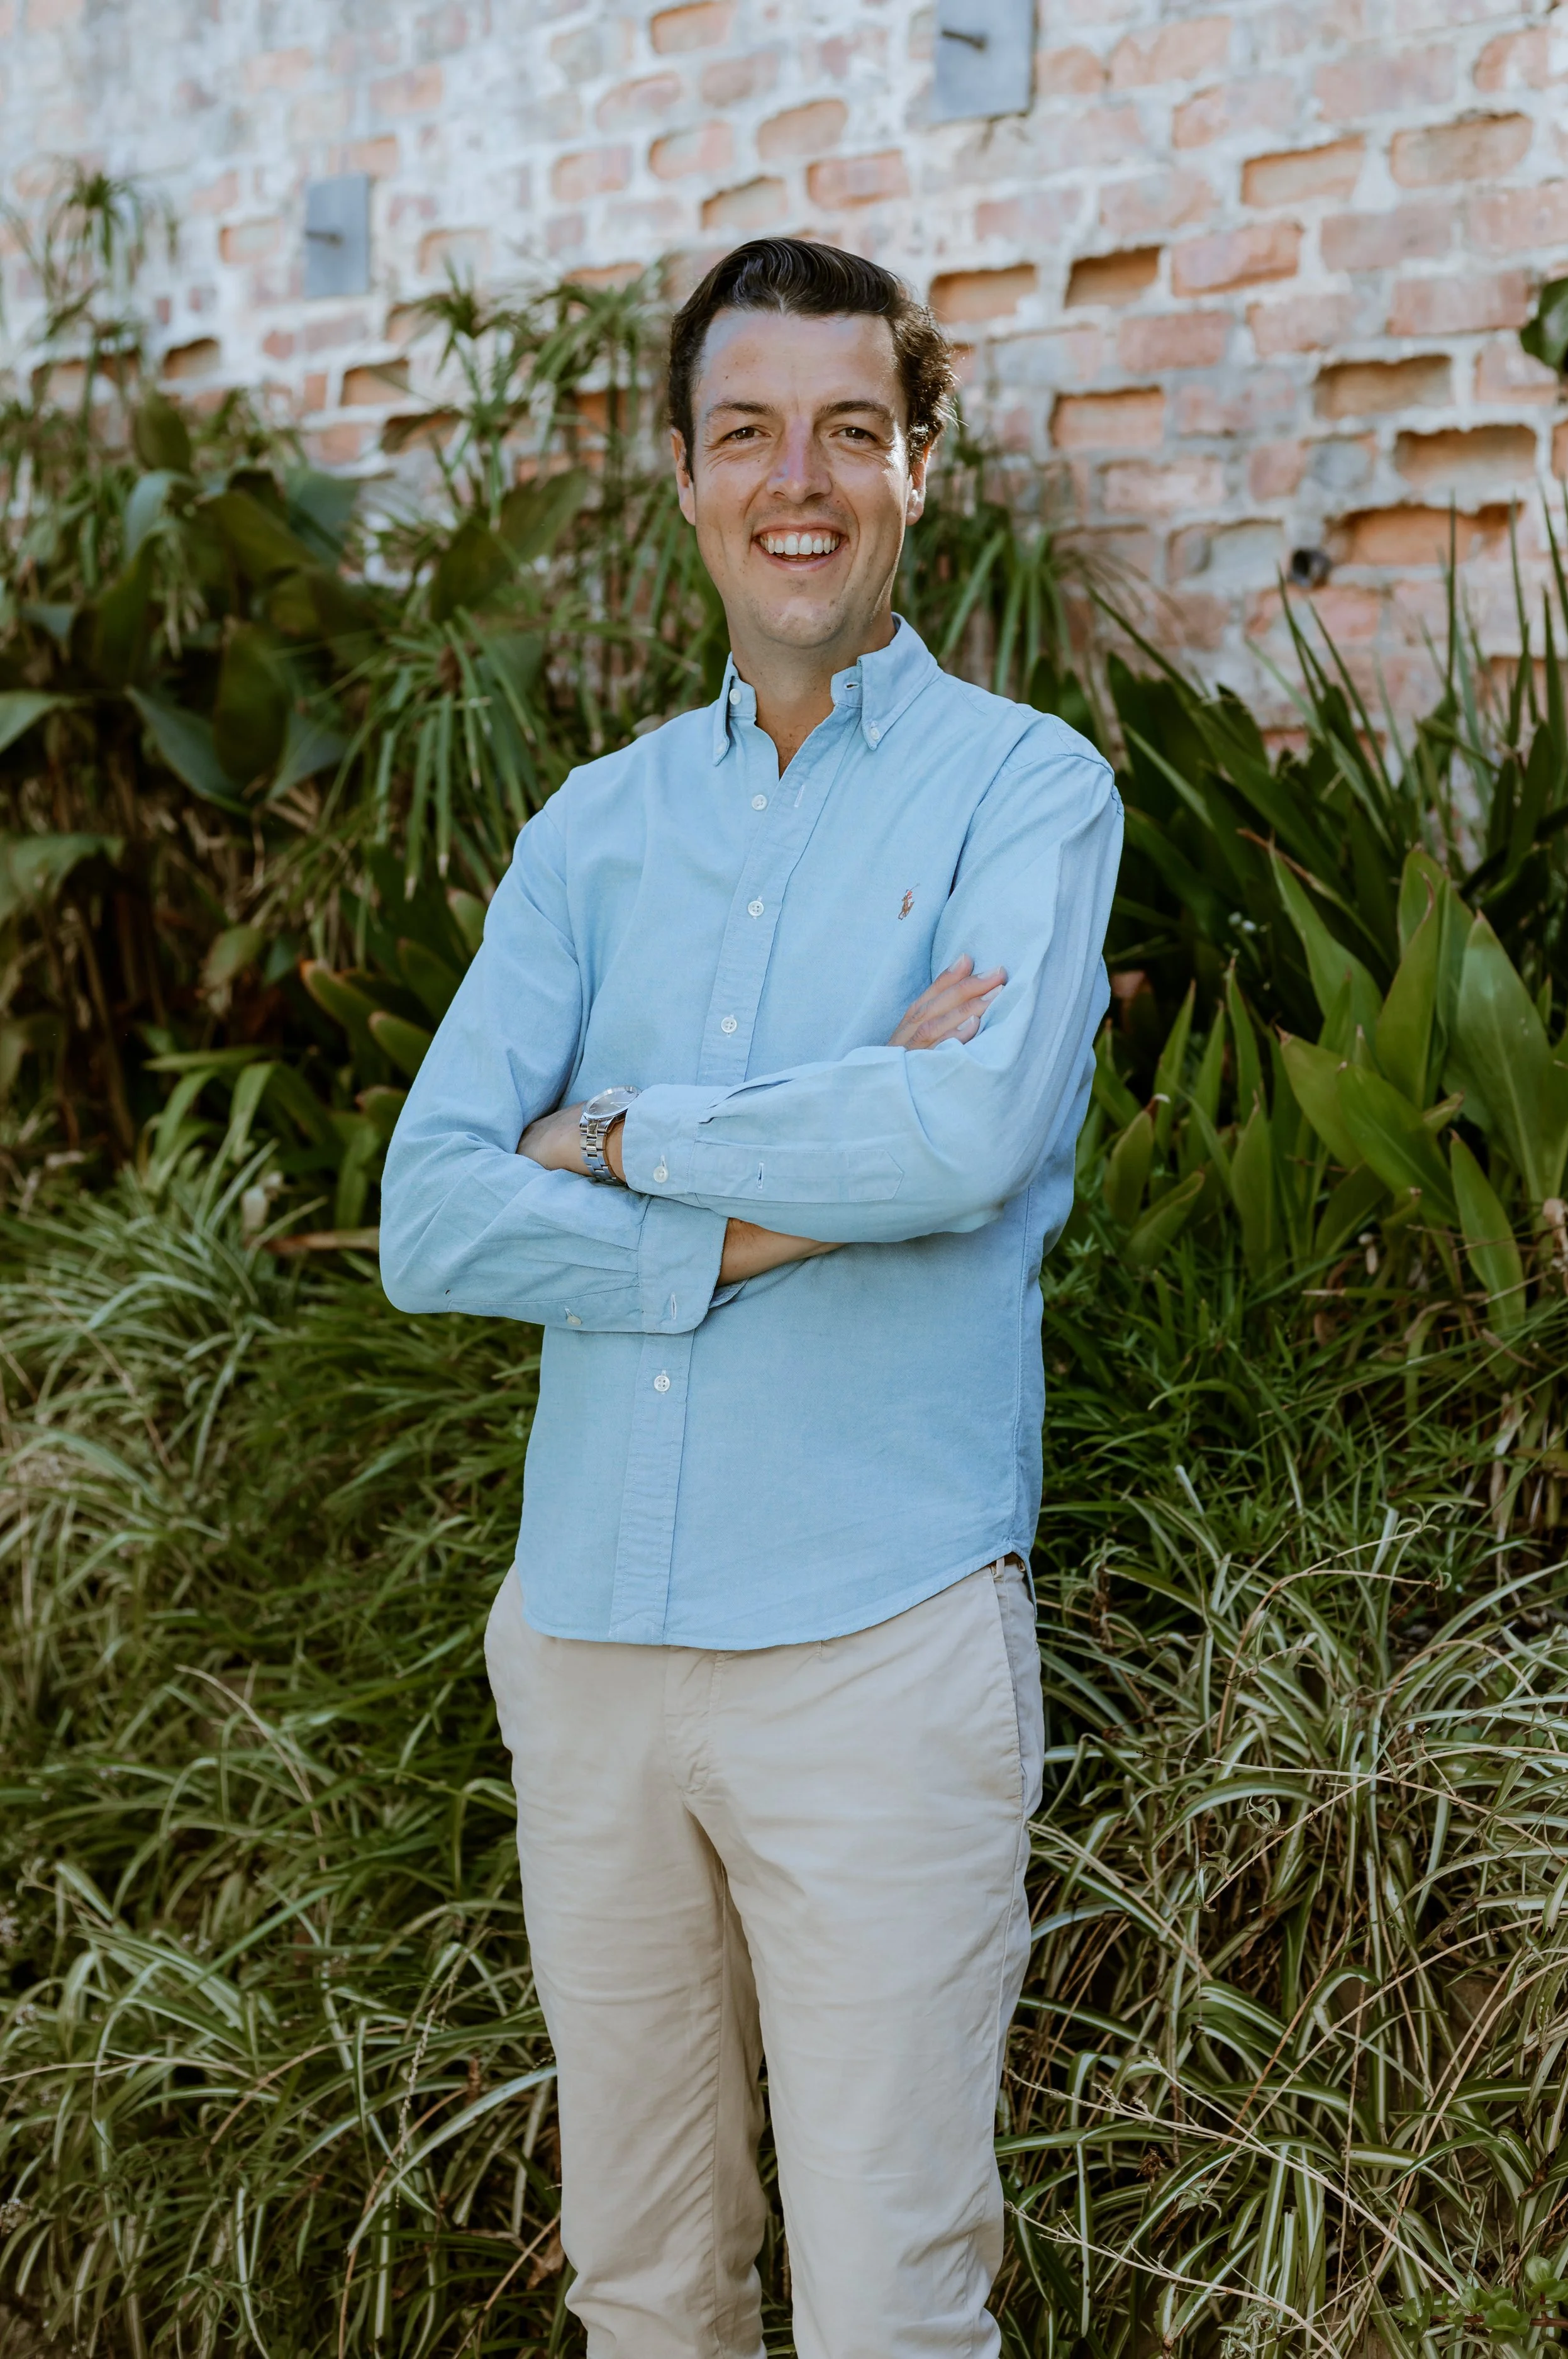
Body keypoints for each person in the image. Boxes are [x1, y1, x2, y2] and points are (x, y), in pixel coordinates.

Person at [380, 235, 1122, 2359]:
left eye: (849, 429)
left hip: (875, 1648)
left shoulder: (1026, 788)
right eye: (746, 431)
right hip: (586, 1650)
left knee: (885, 2309)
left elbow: (956, 1138)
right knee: (644, 2288)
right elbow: (431, 1219)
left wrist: (616, 1135)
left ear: (918, 467)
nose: (798, 478)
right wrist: (781, 1190)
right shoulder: (591, 831)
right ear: (686, 474)